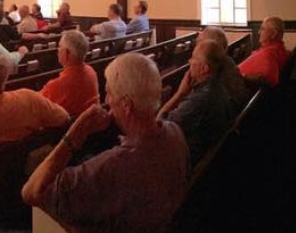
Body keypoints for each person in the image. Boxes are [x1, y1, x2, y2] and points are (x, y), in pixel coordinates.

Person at [22, 54, 189, 231]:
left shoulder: (112, 166)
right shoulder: (174, 131)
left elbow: (31, 193)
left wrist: (76, 133)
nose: (107, 100)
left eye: (109, 92)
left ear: (126, 105)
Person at [161, 40, 234, 166]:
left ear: (204, 68)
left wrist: (180, 94)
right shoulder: (219, 85)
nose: (189, 61)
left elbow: (160, 126)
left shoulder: (199, 99)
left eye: (193, 58)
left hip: (190, 160)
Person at [39, 30, 100, 116]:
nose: (58, 50)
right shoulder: (91, 72)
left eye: (60, 47)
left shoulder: (56, 86)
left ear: (66, 53)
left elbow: (36, 106)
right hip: (90, 124)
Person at [239, 16, 290, 87]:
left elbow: (268, 79)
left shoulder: (270, 53)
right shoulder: (276, 49)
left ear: (274, 34)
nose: (259, 32)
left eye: (263, 29)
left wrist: (242, 76)